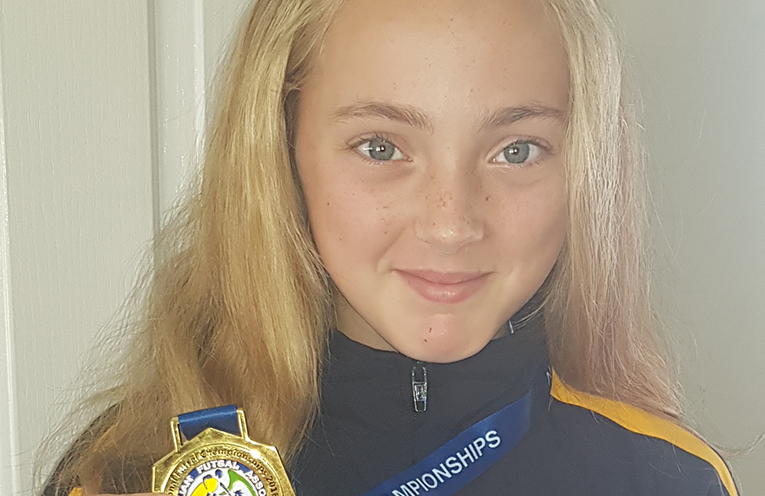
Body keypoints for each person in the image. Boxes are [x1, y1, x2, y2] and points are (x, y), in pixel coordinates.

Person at [42, 0, 739, 495]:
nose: (450, 224)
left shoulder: (669, 480)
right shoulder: (124, 476)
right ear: (280, 153)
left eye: (516, 149)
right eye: (380, 147)